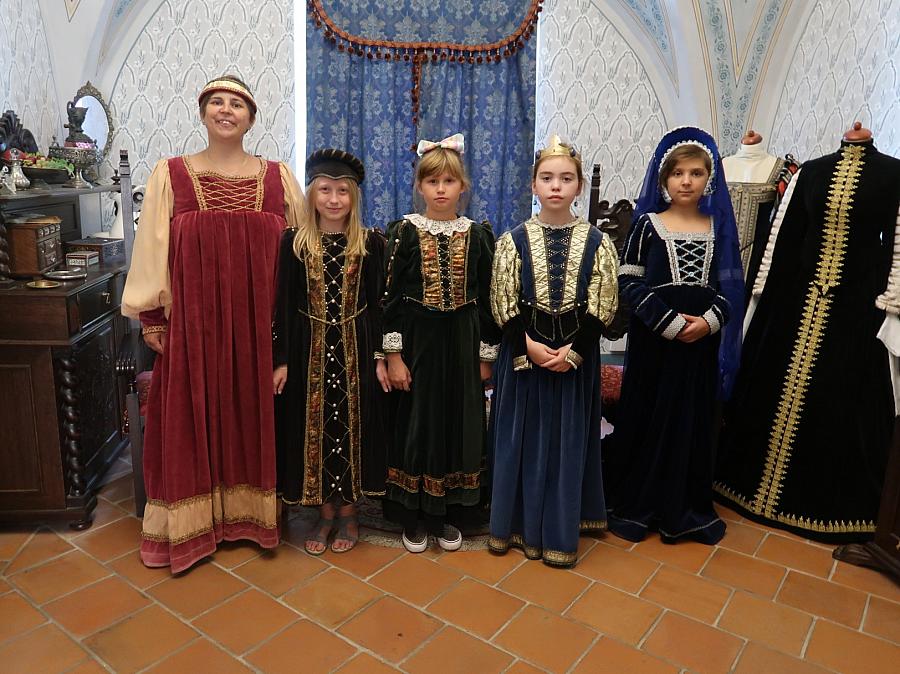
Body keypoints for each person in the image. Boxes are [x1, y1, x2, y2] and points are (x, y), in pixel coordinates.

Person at [122, 74, 305, 573]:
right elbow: (152, 249)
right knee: (193, 414)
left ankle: (248, 518)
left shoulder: (279, 179)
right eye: (216, 102)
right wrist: (153, 315)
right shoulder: (171, 175)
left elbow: (298, 259)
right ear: (203, 113)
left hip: (258, 328)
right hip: (193, 325)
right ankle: (194, 525)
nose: (226, 110)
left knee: (250, 412)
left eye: (237, 104)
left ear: (251, 117)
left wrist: (288, 334)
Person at [715, 124, 900, 542]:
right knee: (773, 384)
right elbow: (785, 239)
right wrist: (766, 301)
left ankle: (818, 503)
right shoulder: (811, 172)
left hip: (858, 307)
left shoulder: (893, 175)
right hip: (796, 297)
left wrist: (891, 304)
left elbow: (895, 246)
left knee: (839, 396)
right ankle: (753, 490)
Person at [606, 126, 744, 545]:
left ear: (709, 179)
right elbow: (629, 280)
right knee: (650, 412)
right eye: (678, 173)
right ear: (664, 179)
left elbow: (731, 286)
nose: (687, 181)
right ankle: (641, 501)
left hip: (699, 345)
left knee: (690, 417)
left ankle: (681, 506)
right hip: (656, 341)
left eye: (696, 173)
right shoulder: (648, 225)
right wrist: (669, 322)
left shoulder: (718, 226)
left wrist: (706, 323)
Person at [488, 135, 619, 568]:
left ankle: (560, 531)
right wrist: (526, 343)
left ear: (579, 186)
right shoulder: (512, 240)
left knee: (566, 442)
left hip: (574, 362)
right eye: (547, 178)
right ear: (533, 185)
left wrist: (575, 351)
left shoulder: (598, 242)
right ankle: (519, 528)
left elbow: (603, 302)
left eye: (565, 178)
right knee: (521, 441)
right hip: (523, 360)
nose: (556, 186)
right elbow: (503, 301)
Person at [381, 133, 500, 553]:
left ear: (463, 186)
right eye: (432, 182)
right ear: (420, 186)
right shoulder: (404, 232)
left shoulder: (478, 235)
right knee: (418, 423)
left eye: (449, 181)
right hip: (419, 341)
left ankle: (450, 512)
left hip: (463, 341)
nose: (441, 190)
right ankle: (414, 514)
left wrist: (486, 355)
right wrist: (394, 355)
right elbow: (390, 297)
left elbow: (488, 298)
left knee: (460, 423)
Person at [272, 149, 388, 555]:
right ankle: (324, 515)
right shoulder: (294, 243)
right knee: (316, 426)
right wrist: (281, 360)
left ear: (354, 196)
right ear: (312, 194)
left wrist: (381, 357)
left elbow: (379, 305)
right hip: (310, 349)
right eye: (325, 190)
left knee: (353, 427)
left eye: (342, 191)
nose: (334, 199)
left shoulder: (370, 243)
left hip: (357, 347)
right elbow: (284, 305)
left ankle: (350, 513)